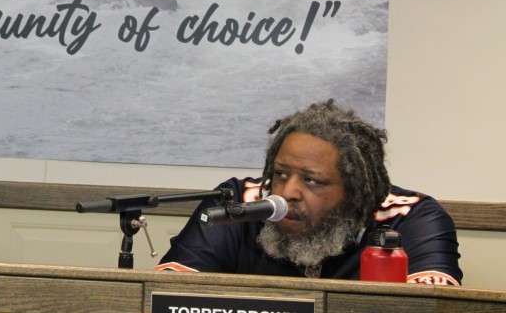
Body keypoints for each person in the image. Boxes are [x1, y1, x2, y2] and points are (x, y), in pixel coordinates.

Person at [157, 100, 462, 285]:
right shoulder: (238, 205)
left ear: (355, 192)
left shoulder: (410, 218)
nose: (288, 192)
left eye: (312, 181)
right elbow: (166, 298)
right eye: (281, 174)